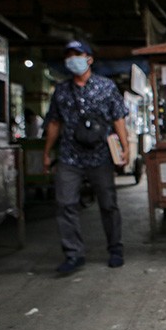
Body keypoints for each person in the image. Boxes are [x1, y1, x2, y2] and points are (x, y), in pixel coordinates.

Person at [43, 40, 130, 274]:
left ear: (89, 59)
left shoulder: (106, 87)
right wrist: (47, 152)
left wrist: (125, 147)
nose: (73, 59)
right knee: (65, 204)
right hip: (70, 156)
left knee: (108, 204)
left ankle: (115, 249)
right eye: (69, 55)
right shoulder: (61, 91)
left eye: (78, 54)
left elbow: (118, 118)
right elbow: (54, 123)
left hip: (100, 155)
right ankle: (73, 254)